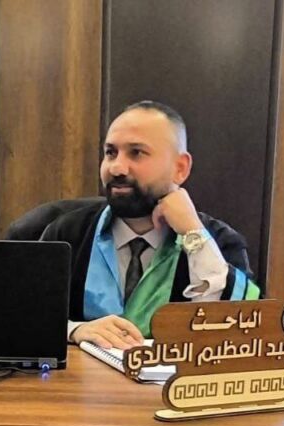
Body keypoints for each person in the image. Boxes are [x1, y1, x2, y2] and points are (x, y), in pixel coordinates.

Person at [41, 101, 258, 350]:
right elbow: (23, 318)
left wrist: (193, 233)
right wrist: (74, 330)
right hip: (80, 375)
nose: (116, 167)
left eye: (136, 153)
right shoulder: (66, 234)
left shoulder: (220, 241)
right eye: (111, 153)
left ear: (180, 168)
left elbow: (244, 330)